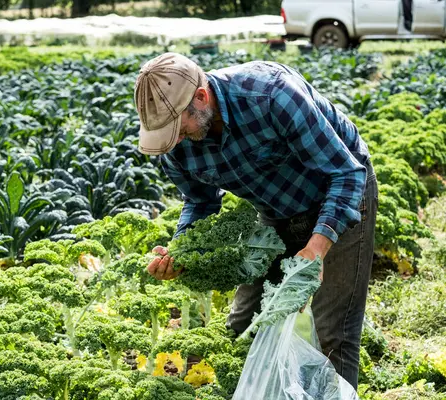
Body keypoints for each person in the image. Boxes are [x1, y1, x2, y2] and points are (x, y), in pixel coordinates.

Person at [133, 52, 378, 388]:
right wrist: (181, 251)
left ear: (201, 98)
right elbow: (199, 201)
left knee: (332, 333)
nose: (173, 140)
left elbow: (347, 173)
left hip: (340, 197)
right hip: (274, 212)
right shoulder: (176, 143)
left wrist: (317, 247)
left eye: (177, 128)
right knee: (242, 326)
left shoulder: (271, 95)